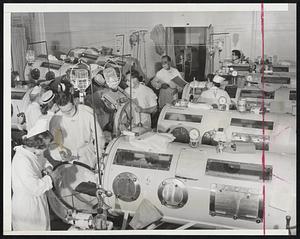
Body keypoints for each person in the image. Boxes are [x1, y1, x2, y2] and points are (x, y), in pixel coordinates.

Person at [11, 118, 61, 231]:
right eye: (46, 146)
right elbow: (35, 188)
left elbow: (43, 160)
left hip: (37, 202)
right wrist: (51, 177)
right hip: (27, 207)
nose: (47, 149)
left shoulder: (32, 152)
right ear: (37, 145)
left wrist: (48, 167)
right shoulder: (22, 160)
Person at [49, 80, 105, 168]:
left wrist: (98, 156)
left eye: (70, 110)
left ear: (74, 102)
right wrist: (60, 153)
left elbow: (99, 137)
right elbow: (54, 144)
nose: (68, 114)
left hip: (87, 154)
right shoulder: (56, 120)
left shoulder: (87, 113)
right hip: (68, 158)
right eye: (64, 111)